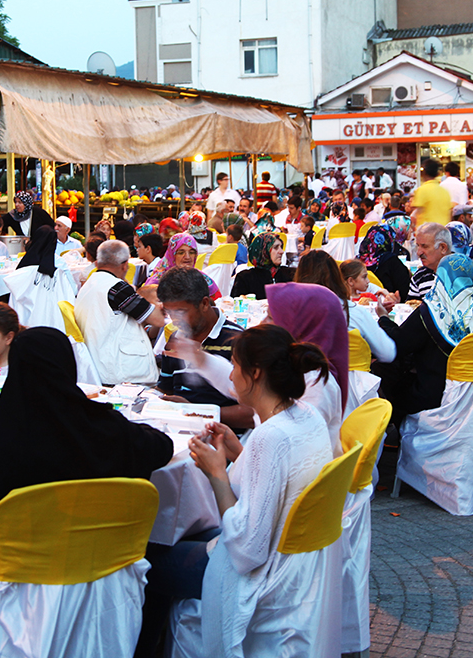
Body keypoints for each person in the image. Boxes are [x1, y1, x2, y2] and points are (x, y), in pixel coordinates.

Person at [151, 325, 334, 657]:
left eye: (235, 366)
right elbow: (277, 483)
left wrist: (217, 473)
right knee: (177, 541)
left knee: (148, 560)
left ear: (256, 373)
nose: (231, 377)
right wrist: (237, 451)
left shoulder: (270, 437)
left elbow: (247, 550)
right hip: (297, 564)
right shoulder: (305, 416)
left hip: (260, 574)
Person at [0, 328, 174, 612]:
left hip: (17, 589)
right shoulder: (101, 428)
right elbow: (162, 447)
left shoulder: (9, 435)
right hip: (101, 577)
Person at [376, 254, 473, 422]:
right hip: (472, 392)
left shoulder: (430, 311)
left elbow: (399, 344)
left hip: (432, 394)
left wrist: (384, 318)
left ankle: (394, 431)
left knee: (385, 370)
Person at [155, 268, 251, 428]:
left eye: (181, 312)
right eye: (169, 312)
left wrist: (194, 412)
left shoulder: (238, 342)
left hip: (223, 440)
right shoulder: (176, 339)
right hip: (179, 431)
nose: (175, 320)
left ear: (205, 303)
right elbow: (166, 389)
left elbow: (252, 414)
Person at [265, 282, 353, 449]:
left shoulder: (316, 385)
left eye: (271, 318)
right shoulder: (298, 369)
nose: (262, 324)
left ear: (299, 327)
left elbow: (290, 448)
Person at [76, 240, 163, 385]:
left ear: (97, 263)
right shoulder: (117, 288)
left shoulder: (88, 284)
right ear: (124, 265)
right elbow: (158, 320)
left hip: (98, 365)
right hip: (121, 372)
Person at [294, 250, 396, 365]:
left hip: (305, 379)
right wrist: (383, 317)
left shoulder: (289, 314)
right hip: (350, 379)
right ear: (336, 276)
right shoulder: (355, 312)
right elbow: (388, 353)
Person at [146, 233, 222, 299]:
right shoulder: (158, 283)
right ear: (172, 255)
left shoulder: (202, 279)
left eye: (192, 252)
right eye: (181, 252)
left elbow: (217, 303)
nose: (187, 257)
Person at [357, 222, 412, 301]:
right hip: (390, 304)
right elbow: (405, 291)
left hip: (362, 303)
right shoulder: (391, 261)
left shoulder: (358, 261)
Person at [229, 233, 294, 299]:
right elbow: (235, 305)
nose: (281, 251)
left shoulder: (290, 274)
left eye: (281, 247)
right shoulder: (245, 278)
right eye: (276, 248)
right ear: (263, 251)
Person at [407, 222, 452, 301]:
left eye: (425, 246)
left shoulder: (466, 272)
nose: (419, 252)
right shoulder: (419, 277)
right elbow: (412, 307)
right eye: (418, 246)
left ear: (443, 248)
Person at [412, 158, 453, 226]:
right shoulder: (445, 191)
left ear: (424, 172)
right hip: (443, 231)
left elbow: (416, 213)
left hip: (426, 232)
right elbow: (450, 213)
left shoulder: (422, 190)